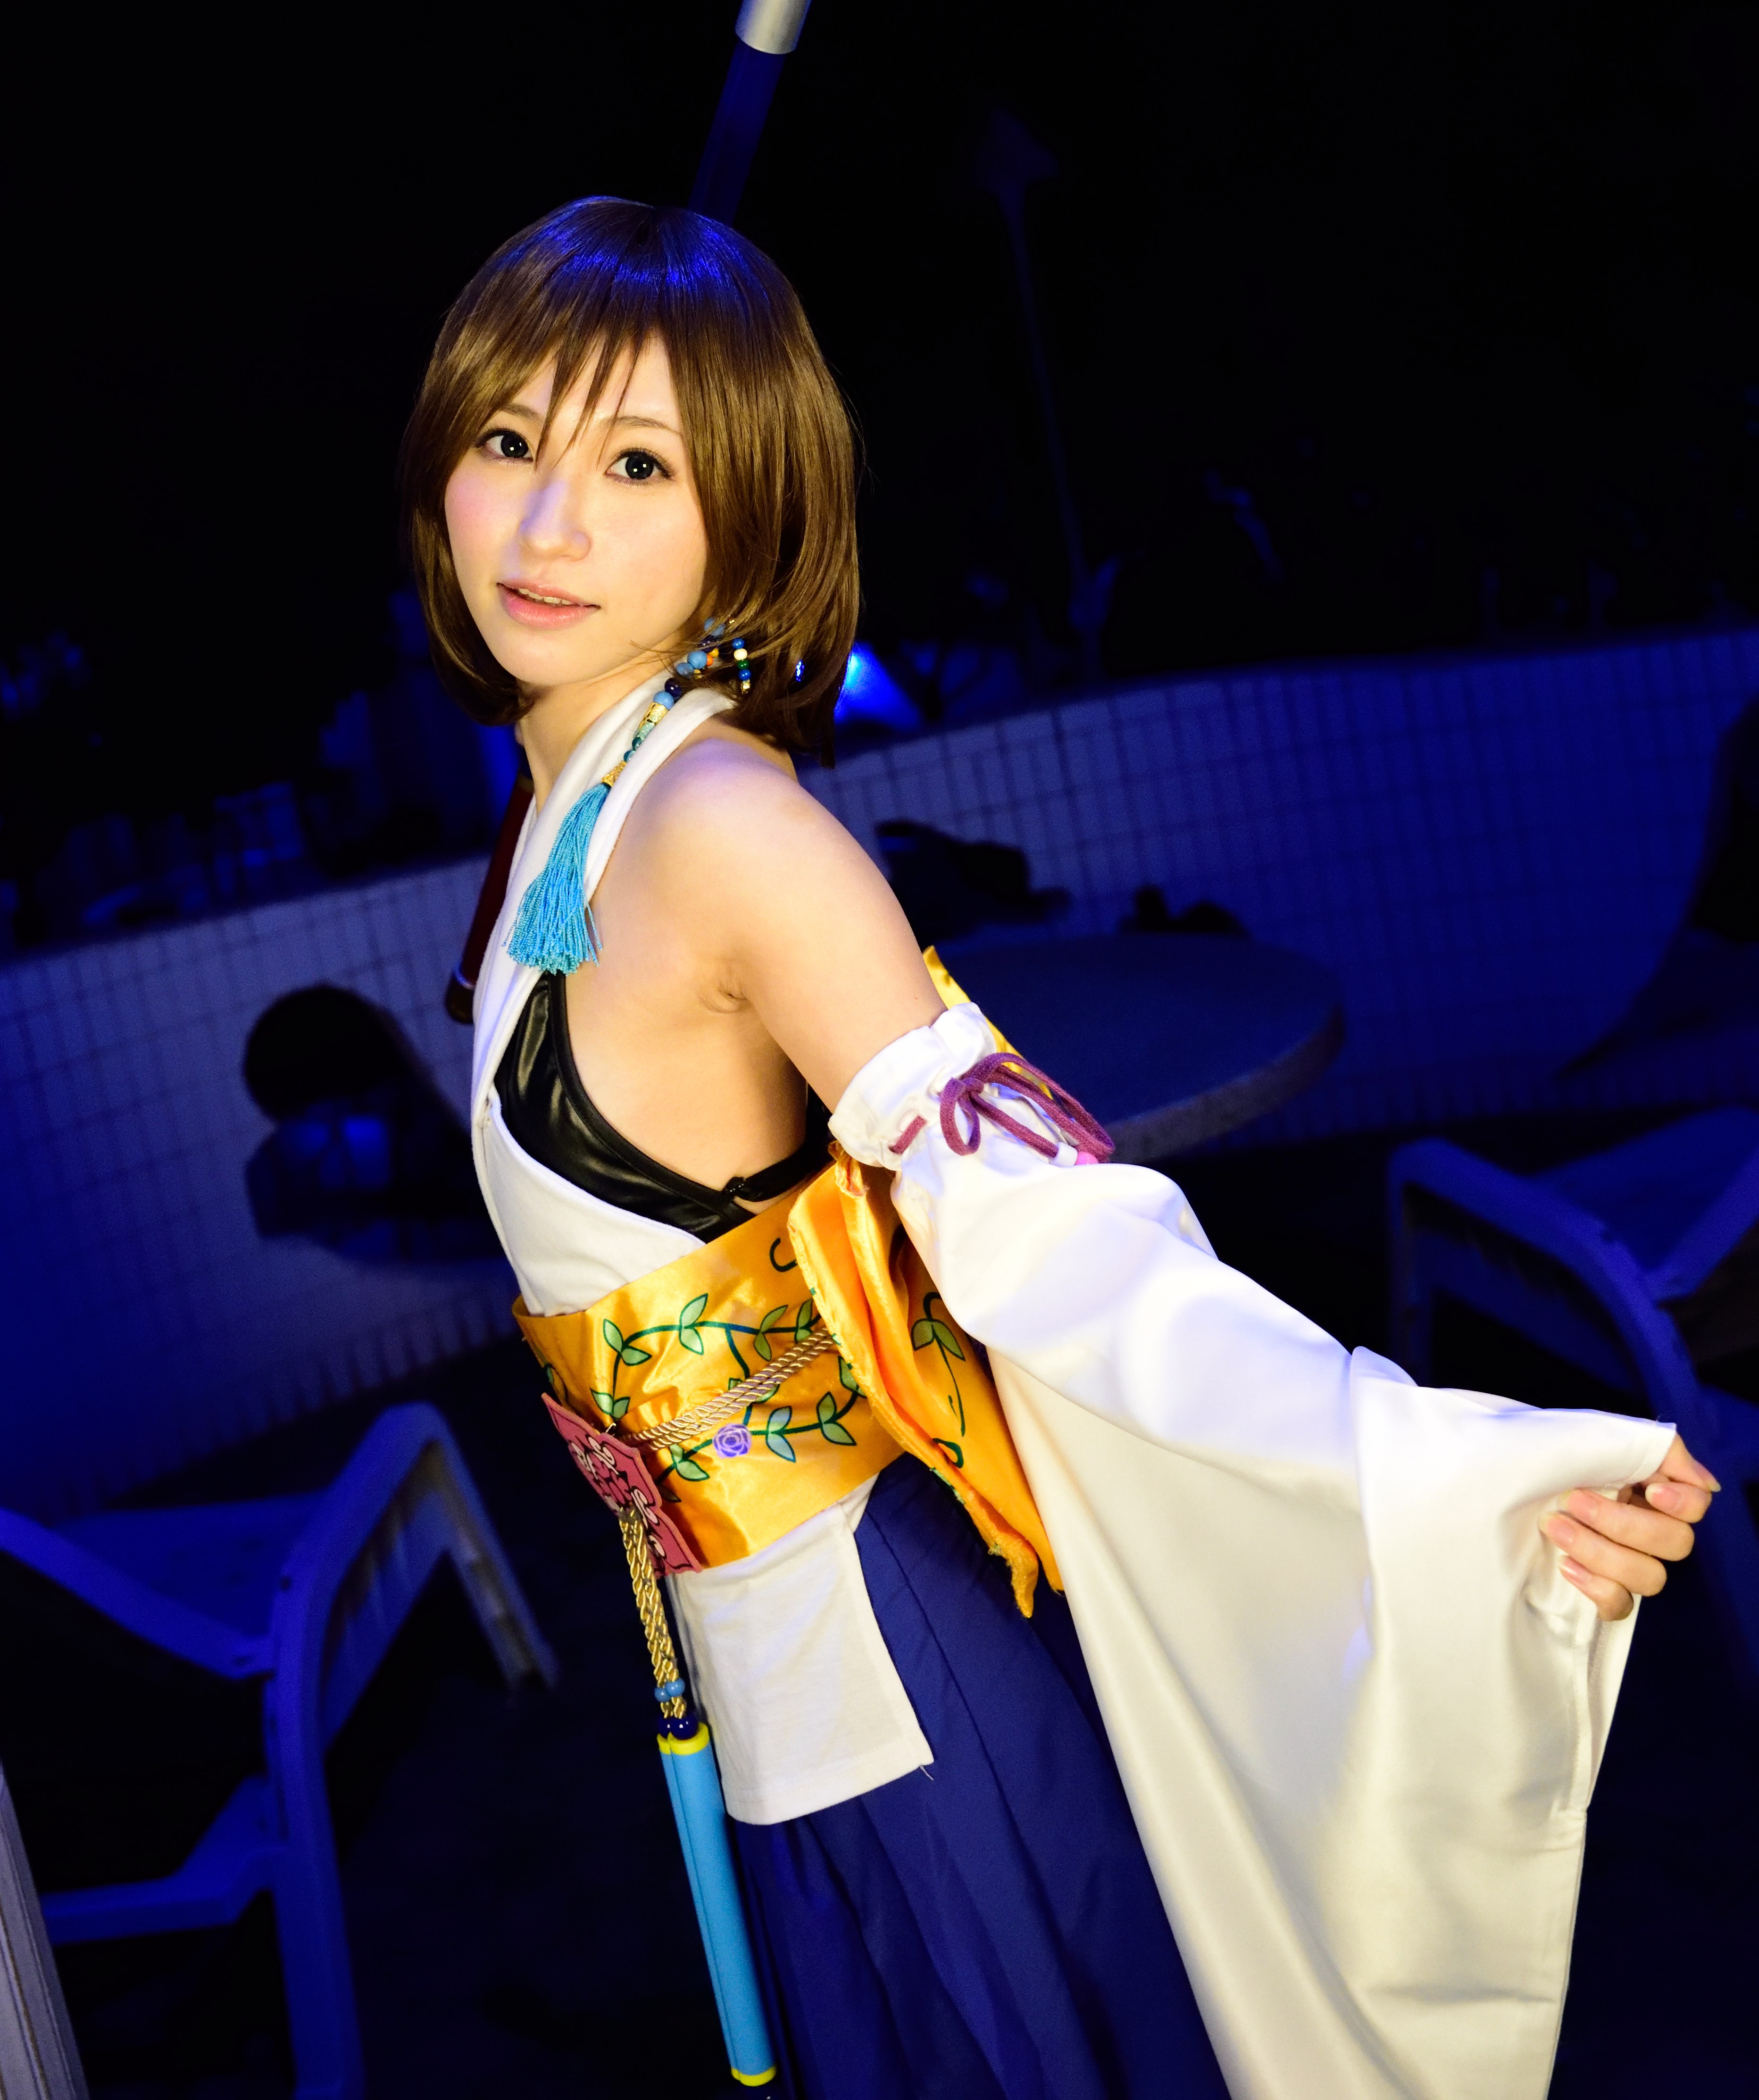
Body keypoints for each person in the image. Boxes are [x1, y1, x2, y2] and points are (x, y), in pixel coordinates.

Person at [399, 195, 1716, 2100]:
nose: (545, 525)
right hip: (774, 1655)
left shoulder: (721, 830)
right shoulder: (578, 795)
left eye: (637, 466)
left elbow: (1052, 1229)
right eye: (511, 439)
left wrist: (1449, 1475)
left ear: (748, 516)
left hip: (878, 1670)